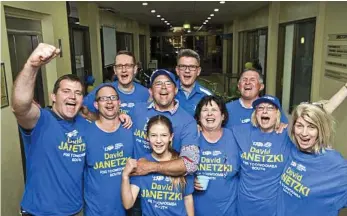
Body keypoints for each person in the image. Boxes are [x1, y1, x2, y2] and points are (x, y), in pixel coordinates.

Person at [11, 43, 89, 215]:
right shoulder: (40, 120)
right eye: (66, 91)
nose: (72, 97)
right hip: (39, 212)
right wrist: (32, 66)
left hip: (74, 211)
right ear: (53, 96)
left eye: (78, 93)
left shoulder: (85, 125)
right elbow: (20, 106)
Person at [276, 101, 347, 216]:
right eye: (299, 126)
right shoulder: (292, 149)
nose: (304, 133)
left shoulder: (334, 164)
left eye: (311, 127)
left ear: (320, 130)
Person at [130, 69, 199, 176]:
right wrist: (119, 116)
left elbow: (190, 164)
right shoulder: (136, 111)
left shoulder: (187, 121)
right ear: (151, 91)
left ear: (176, 90)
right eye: (158, 84)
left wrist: (151, 167)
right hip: (137, 184)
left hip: (170, 188)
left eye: (168, 83)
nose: (163, 87)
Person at [121, 115, 194, 216]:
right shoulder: (142, 163)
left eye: (163, 135)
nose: (158, 140)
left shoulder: (180, 164)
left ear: (171, 137)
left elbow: (187, 199)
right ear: (147, 137)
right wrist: (125, 176)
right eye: (154, 135)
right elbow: (128, 204)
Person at [232, 95, 291, 216]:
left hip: (272, 205)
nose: (264, 111)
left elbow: (314, 119)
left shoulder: (287, 135)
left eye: (270, 108)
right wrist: (198, 127)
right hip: (245, 204)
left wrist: (288, 127)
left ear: (277, 114)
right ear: (255, 113)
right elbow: (214, 132)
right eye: (260, 108)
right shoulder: (241, 132)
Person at [83, 83, 134, 216]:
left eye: (113, 98)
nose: (109, 102)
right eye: (104, 98)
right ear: (96, 105)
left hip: (128, 209)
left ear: (119, 102)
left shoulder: (130, 130)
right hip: (96, 211)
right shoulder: (85, 133)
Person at [193, 96, 240, 216]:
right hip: (197, 211)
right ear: (198, 117)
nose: (209, 114)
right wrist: (189, 181)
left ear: (223, 116)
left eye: (214, 110)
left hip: (229, 211)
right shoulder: (191, 138)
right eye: (205, 110)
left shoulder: (236, 137)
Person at [83, 50, 149, 119]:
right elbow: (80, 109)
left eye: (128, 66)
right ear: (115, 70)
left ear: (135, 69)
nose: (124, 70)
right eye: (119, 66)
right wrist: (99, 120)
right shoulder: (102, 90)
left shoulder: (146, 94)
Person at [175, 49, 213, 116]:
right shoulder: (166, 93)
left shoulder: (207, 96)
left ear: (198, 71)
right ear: (177, 70)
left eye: (192, 67)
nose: (187, 71)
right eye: (183, 66)